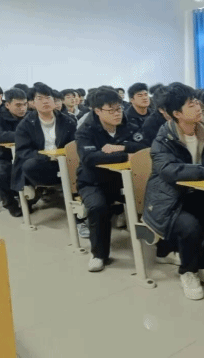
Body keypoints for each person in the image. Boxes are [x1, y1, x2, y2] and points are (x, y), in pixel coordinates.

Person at [142, 83, 204, 300]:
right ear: (177, 114)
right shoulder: (163, 140)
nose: (198, 107)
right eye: (191, 105)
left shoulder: (203, 132)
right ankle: (188, 271)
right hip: (169, 201)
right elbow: (170, 170)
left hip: (197, 194)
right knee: (190, 225)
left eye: (197, 102)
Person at [75, 87, 147, 272]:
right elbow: (90, 158)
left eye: (119, 108)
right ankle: (99, 254)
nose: (117, 113)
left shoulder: (128, 123)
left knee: (154, 198)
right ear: (97, 110)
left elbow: (145, 147)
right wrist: (127, 156)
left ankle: (163, 249)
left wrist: (121, 148)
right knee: (98, 207)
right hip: (93, 181)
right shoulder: (86, 130)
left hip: (124, 179)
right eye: (111, 110)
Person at [11, 83, 76, 196]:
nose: (45, 102)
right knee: (29, 165)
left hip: (65, 162)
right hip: (42, 162)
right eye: (40, 98)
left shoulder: (68, 121)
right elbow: (23, 151)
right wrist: (46, 157)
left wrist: (64, 156)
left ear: (54, 101)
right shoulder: (25, 125)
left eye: (48, 98)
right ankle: (48, 189)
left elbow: (74, 144)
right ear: (33, 103)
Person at [0, 88, 28, 217]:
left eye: (24, 104)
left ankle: (29, 202)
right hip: (2, 156)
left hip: (25, 154)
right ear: (7, 105)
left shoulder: (30, 116)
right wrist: (22, 135)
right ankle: (10, 203)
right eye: (18, 105)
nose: (22, 108)